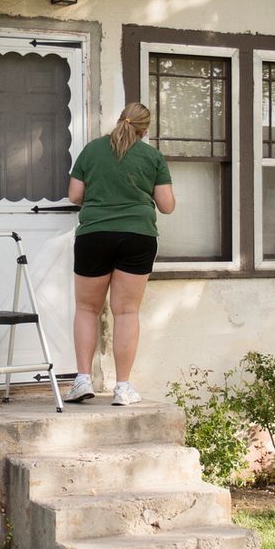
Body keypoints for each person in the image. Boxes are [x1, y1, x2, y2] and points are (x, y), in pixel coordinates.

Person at [66, 103, 175, 406]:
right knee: (126, 312)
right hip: (137, 236)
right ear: (146, 129)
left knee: (87, 309)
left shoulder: (92, 150)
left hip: (94, 235)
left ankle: (82, 380)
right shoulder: (152, 157)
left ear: (119, 121)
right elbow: (166, 205)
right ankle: (123, 388)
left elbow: (75, 195)